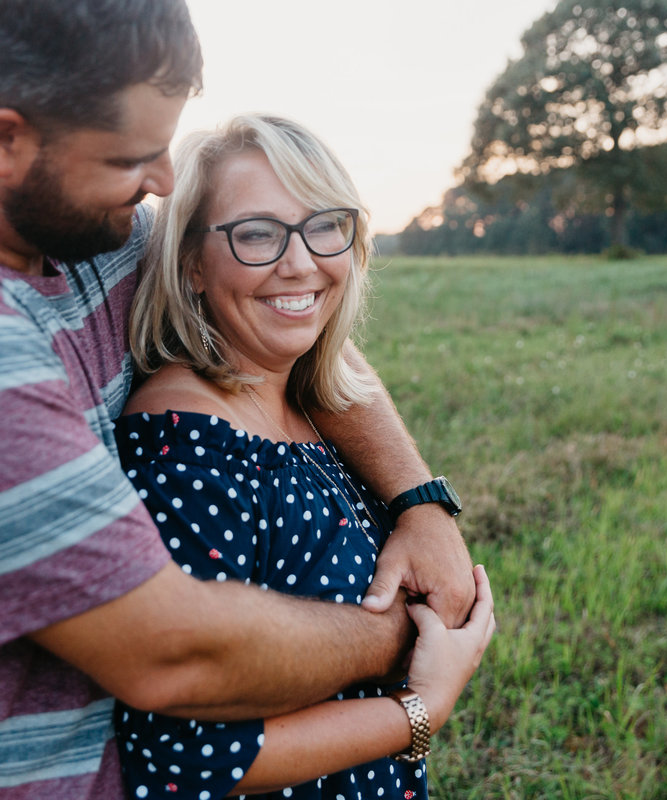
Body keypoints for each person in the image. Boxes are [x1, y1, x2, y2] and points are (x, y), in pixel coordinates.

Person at [0, 2, 481, 798]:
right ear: (3, 141)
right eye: (132, 160)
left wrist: (418, 502)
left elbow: (285, 309)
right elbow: (175, 654)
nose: (162, 184)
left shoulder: (76, 230)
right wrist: (410, 639)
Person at [116, 114, 495, 800]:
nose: (300, 262)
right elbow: (181, 757)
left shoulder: (301, 401)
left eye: (325, 225)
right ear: (192, 264)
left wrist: (422, 508)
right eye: (257, 233)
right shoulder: (188, 452)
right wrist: (417, 711)